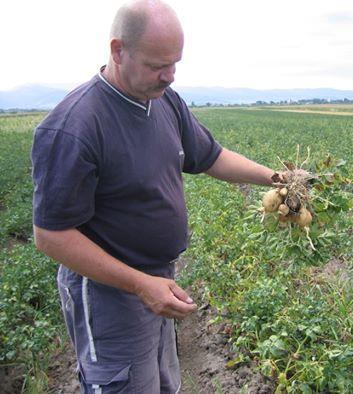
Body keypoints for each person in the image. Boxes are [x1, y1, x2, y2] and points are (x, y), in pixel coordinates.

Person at [31, 1, 276, 392]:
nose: (170, 76)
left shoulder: (163, 101)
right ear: (118, 50)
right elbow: (52, 236)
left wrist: (279, 178)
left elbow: (211, 157)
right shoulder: (75, 126)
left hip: (158, 281)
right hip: (109, 295)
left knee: (161, 384)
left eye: (175, 63)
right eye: (157, 65)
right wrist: (140, 284)